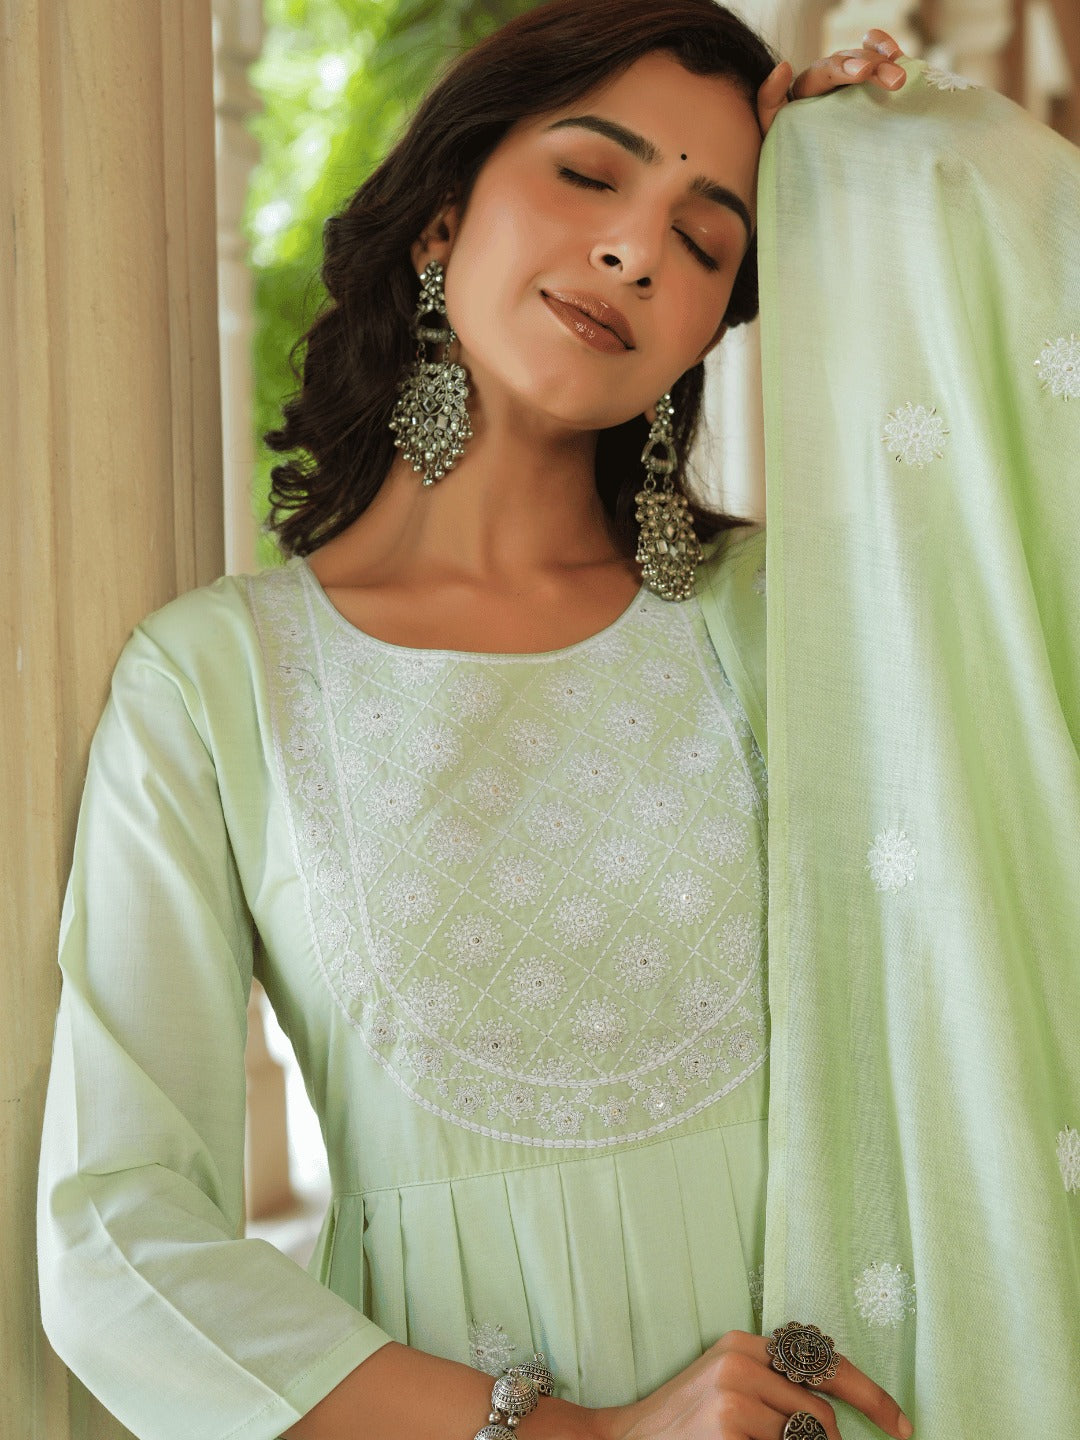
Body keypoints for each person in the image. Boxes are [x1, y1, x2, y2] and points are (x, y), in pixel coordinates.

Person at [36, 3, 918, 1438]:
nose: (636, 249)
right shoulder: (216, 683)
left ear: (718, 319)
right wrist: (586, 1435)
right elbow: (116, 1241)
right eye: (589, 174)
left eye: (707, 240)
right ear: (442, 219)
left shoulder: (798, 620)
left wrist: (884, 175)